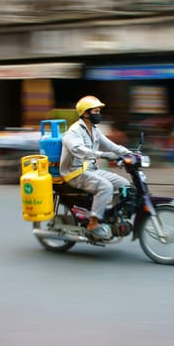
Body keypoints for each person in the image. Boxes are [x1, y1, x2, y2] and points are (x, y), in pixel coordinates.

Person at [60, 95, 131, 240]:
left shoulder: (95, 129)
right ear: (86, 113)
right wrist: (103, 155)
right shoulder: (73, 132)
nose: (99, 114)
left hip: (91, 171)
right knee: (105, 187)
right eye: (96, 111)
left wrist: (131, 154)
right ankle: (93, 224)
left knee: (124, 184)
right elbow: (78, 150)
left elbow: (111, 146)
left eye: (99, 111)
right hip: (75, 173)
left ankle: (112, 216)